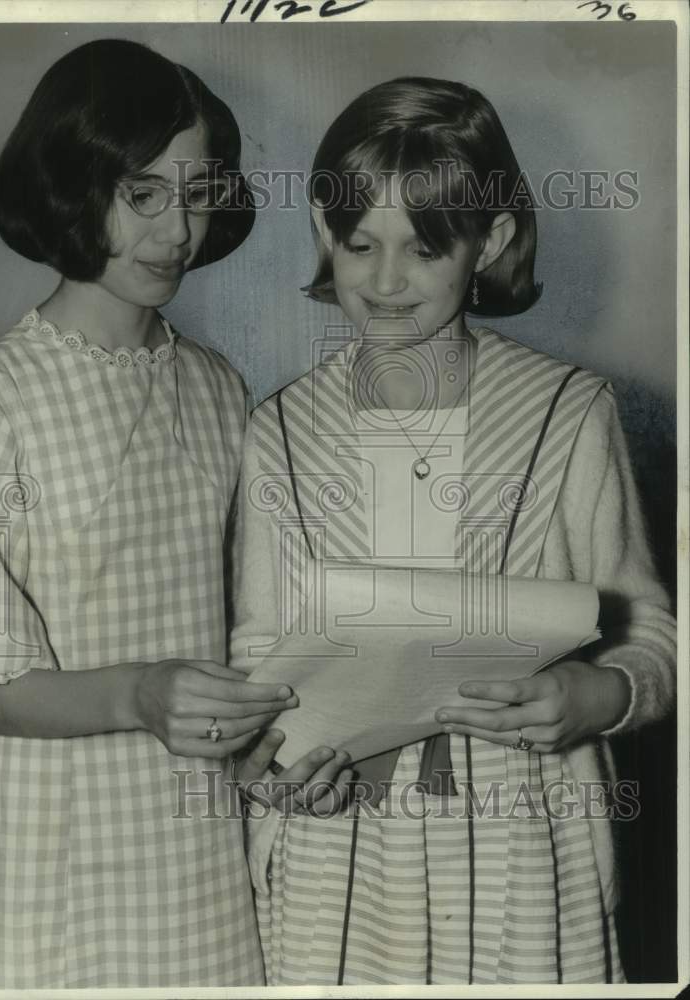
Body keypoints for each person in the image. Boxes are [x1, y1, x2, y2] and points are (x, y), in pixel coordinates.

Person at [230, 77, 676, 984]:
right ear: (324, 230)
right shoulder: (277, 429)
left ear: (491, 241)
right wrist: (264, 764)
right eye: (360, 245)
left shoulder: (567, 413)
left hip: (523, 843)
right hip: (334, 849)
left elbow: (652, 636)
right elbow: (259, 651)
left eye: (424, 249)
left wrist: (597, 697)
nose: (385, 282)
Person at [0, 38, 297, 988]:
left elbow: (238, 636)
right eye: (143, 194)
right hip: (56, 840)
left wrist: (258, 752)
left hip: (199, 847)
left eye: (198, 192)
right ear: (72, 184)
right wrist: (138, 696)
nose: (178, 231)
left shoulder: (217, 389)